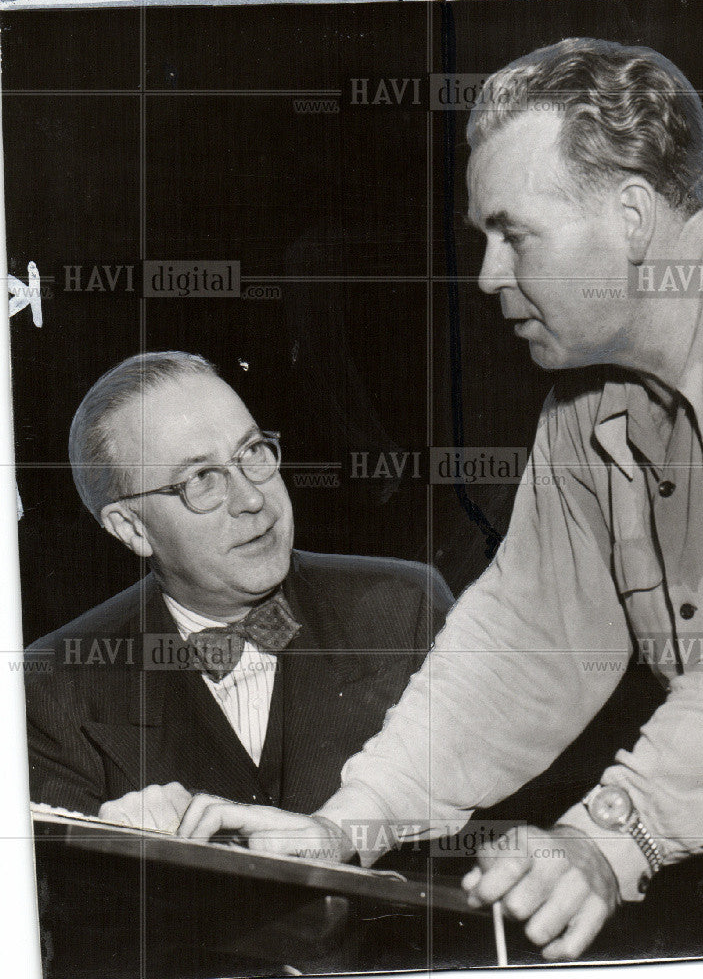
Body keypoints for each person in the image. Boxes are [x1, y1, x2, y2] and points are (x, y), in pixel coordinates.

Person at [179, 38, 703, 959]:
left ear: (630, 215)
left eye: (515, 234)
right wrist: (350, 821)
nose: (488, 276)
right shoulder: (590, 407)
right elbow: (522, 650)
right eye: (481, 239)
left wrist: (606, 838)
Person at [25, 351, 452, 824]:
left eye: (252, 452)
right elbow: (53, 892)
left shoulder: (405, 608)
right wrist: (115, 852)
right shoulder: (53, 688)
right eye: (202, 479)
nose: (252, 498)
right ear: (132, 528)